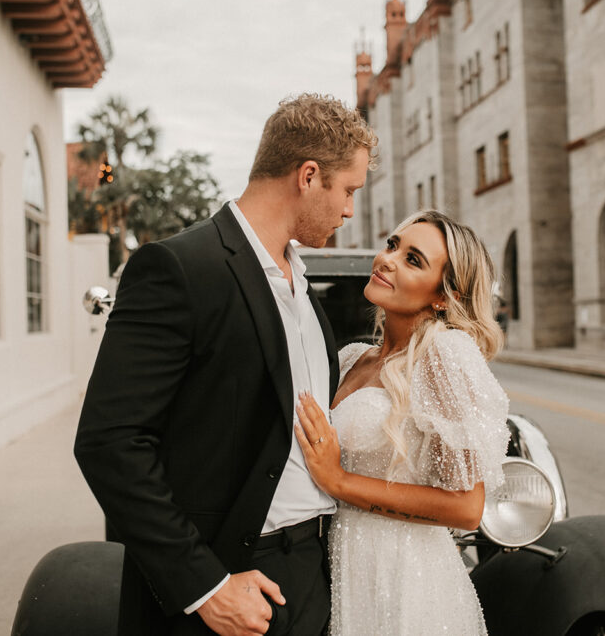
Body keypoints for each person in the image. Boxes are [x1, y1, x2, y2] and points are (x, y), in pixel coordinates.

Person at [74, 93, 377, 636]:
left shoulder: (304, 288)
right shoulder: (178, 268)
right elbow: (110, 442)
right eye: (348, 190)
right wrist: (205, 586)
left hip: (317, 573)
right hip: (225, 579)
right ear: (308, 176)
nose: (350, 209)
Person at [294, 210, 510, 635]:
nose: (388, 259)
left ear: (443, 297)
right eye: (393, 245)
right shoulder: (353, 357)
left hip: (406, 576)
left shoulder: (444, 356)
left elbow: (467, 508)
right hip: (340, 564)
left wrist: (339, 482)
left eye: (414, 260)